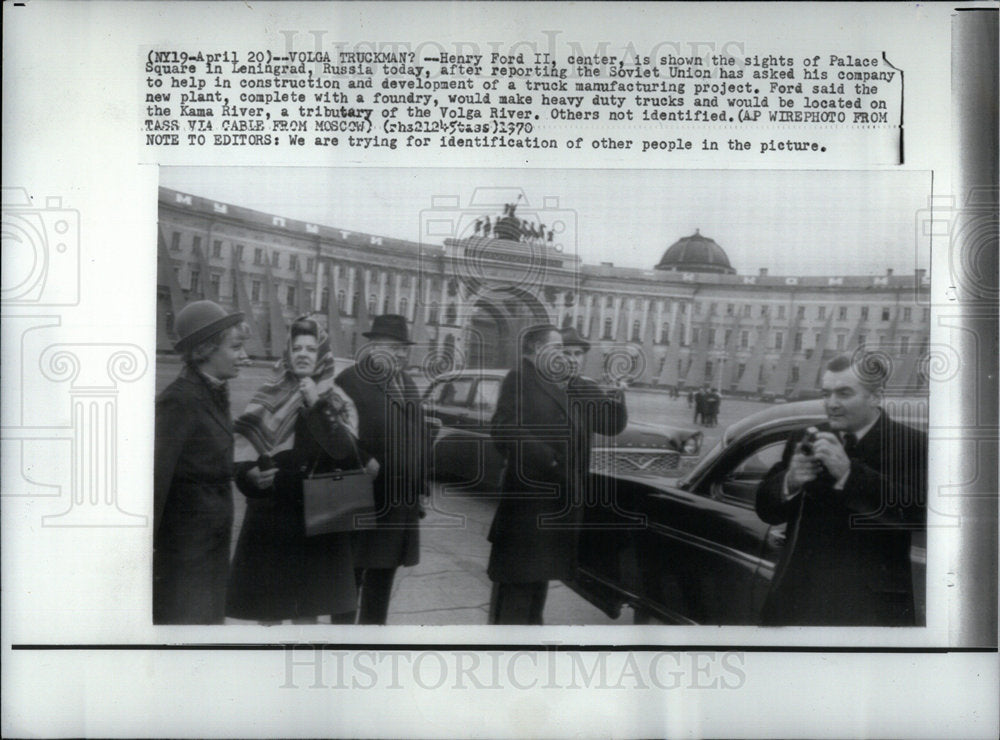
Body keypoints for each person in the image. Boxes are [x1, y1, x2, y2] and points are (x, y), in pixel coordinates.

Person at [754, 353, 927, 626]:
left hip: (868, 610)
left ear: (875, 396)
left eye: (844, 393)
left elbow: (918, 513)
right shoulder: (806, 436)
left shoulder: (912, 444)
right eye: (827, 393)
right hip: (797, 601)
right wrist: (790, 481)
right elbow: (766, 510)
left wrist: (849, 474)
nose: (831, 404)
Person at [227, 315, 373, 625]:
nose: (303, 354)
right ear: (288, 353)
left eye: (310, 348)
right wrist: (249, 479)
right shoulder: (267, 394)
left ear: (322, 355)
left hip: (317, 523)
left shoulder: (338, 401)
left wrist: (317, 404)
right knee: (268, 614)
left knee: (306, 615)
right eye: (296, 348)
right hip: (271, 521)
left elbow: (347, 456)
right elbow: (241, 457)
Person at [487, 324, 628, 625]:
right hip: (529, 505)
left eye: (576, 353)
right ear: (540, 350)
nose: (569, 358)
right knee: (516, 592)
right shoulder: (522, 379)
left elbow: (611, 424)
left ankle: (525, 656)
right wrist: (549, 460)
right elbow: (502, 429)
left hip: (560, 506)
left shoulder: (578, 386)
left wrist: (616, 392)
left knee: (536, 590)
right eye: (562, 350)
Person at [154, 300, 248, 624]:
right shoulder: (179, 400)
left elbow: (209, 461)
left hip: (208, 551)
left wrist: (250, 478)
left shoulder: (213, 392)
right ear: (206, 349)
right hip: (183, 558)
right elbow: (155, 482)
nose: (244, 356)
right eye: (236, 347)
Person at [336, 314, 431, 624]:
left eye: (404, 349)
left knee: (382, 586)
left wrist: (421, 489)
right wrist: (364, 458)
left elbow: (418, 436)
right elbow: (332, 433)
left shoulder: (407, 383)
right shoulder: (350, 380)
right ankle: (341, 648)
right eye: (394, 348)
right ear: (374, 346)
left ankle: (371, 645)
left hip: (399, 503)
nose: (402, 355)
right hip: (363, 500)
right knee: (349, 584)